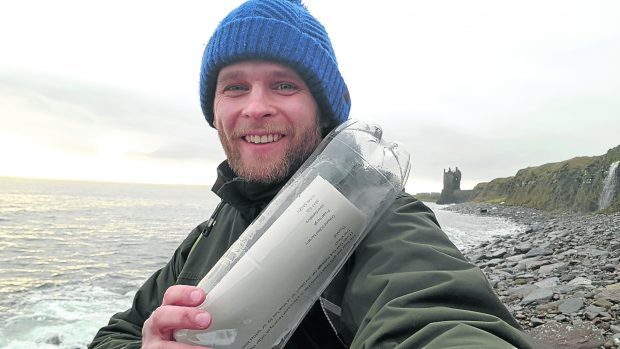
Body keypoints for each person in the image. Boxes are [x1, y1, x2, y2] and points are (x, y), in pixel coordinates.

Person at [89, 1, 535, 348]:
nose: (255, 106)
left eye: (284, 85)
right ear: (215, 112)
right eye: (235, 87)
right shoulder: (211, 231)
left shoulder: (376, 216)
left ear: (324, 111)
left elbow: (437, 314)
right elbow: (118, 333)